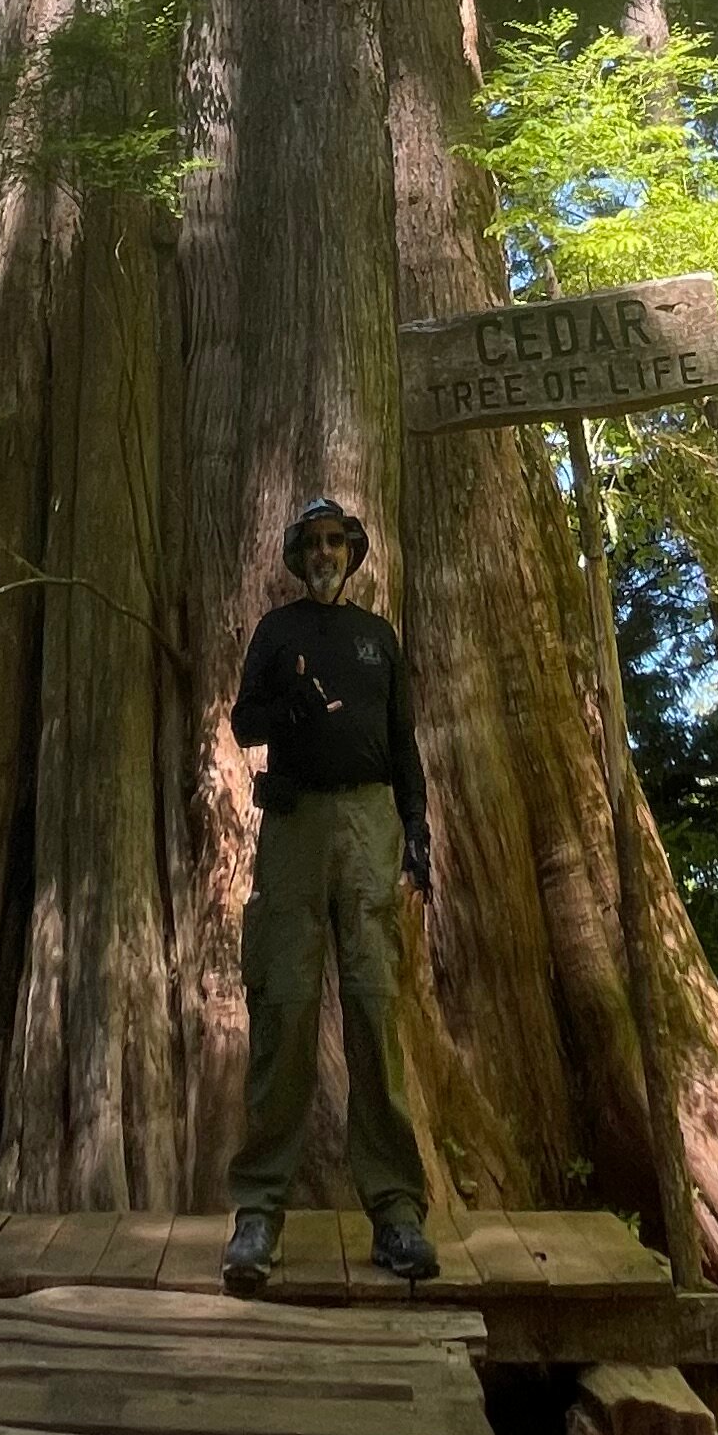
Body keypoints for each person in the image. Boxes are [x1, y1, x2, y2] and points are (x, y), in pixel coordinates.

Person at [222, 493, 439, 1295]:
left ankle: (395, 1211)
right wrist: (291, 707)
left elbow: (404, 739)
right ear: (296, 556)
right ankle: (258, 1215)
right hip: (296, 830)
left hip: (370, 827)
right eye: (311, 543)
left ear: (352, 553)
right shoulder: (278, 633)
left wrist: (416, 829)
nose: (323, 554)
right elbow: (245, 724)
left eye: (335, 542)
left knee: (375, 1006)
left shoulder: (377, 638)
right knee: (283, 1006)